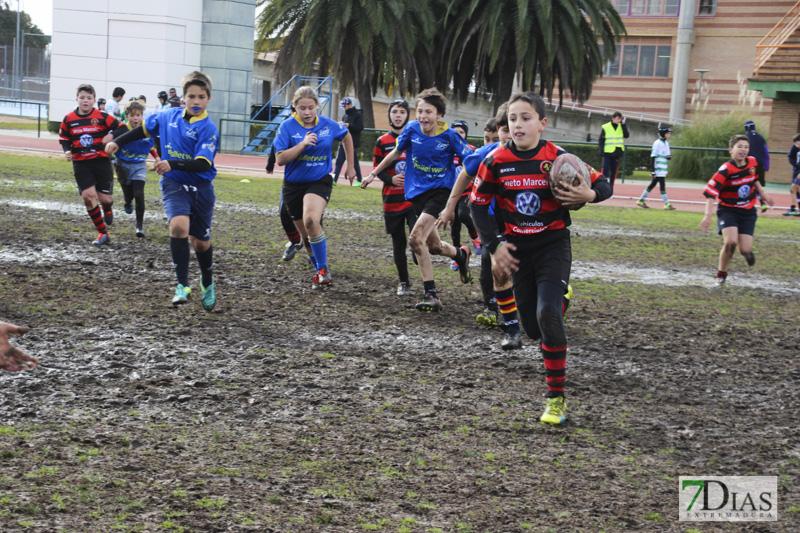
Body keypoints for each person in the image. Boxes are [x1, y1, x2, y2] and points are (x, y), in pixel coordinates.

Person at [471, 92, 612, 425]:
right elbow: (476, 205)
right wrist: (495, 245)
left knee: (548, 314)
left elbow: (604, 184)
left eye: (526, 117)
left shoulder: (558, 157)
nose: (518, 124)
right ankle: (560, 300)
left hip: (552, 245)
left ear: (542, 123)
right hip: (518, 251)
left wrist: (588, 194)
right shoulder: (495, 161)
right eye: (513, 119)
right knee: (533, 329)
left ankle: (556, 400)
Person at [107, 71, 220, 311]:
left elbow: (203, 164)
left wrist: (172, 163)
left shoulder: (208, 128)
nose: (196, 101)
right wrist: (119, 141)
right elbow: (143, 131)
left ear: (209, 99)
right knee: (179, 226)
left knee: (200, 244)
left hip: (201, 188)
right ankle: (182, 285)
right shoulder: (168, 116)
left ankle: (207, 282)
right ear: (183, 97)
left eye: (201, 96)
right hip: (174, 183)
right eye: (191, 96)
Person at [362, 88, 473, 312]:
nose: (423, 116)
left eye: (428, 112)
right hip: (417, 195)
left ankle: (430, 294)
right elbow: (395, 153)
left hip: (440, 193)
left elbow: (470, 160)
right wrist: (373, 174)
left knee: (414, 239)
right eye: (420, 111)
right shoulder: (412, 129)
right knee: (433, 246)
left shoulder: (450, 136)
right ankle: (461, 255)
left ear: (439, 114)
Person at [440, 111, 526, 349]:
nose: (509, 134)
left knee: (527, 269)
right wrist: (449, 208)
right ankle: (495, 313)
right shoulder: (487, 154)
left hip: (526, 223)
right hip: (493, 220)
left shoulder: (538, 154)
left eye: (515, 126)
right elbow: (464, 176)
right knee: (492, 261)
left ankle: (554, 297)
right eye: (505, 128)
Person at [274, 86, 356, 289]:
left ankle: (323, 270)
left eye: (311, 107)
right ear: (294, 107)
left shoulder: (328, 125)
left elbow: (346, 136)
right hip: (293, 186)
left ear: (317, 106)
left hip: (319, 181)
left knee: (312, 221)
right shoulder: (286, 127)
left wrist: (351, 166)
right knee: (306, 236)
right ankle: (318, 270)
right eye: (302, 108)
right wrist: (302, 144)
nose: (308, 112)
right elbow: (281, 159)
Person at [700, 134, 775, 286]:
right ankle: (721, 276)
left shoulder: (752, 162)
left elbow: (754, 179)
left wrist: (763, 193)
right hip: (728, 210)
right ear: (731, 150)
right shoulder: (725, 170)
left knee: (745, 249)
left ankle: (747, 253)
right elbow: (710, 194)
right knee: (731, 242)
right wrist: (708, 215)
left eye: (746, 147)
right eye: (739, 146)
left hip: (747, 211)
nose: (743, 150)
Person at [59, 83, 121, 245]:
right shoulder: (68, 119)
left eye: (89, 98)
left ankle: (107, 209)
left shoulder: (102, 116)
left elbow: (122, 128)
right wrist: (66, 150)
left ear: (94, 100)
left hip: (101, 162)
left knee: (105, 199)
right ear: (77, 99)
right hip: (81, 163)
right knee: (88, 196)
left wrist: (112, 135)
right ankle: (102, 233)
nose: (85, 101)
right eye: (82, 98)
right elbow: (64, 138)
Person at [371, 98, 419, 296]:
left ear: (408, 115)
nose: (398, 115)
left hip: (413, 201)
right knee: (398, 244)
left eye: (402, 112)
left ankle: (422, 264)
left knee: (418, 238)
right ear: (389, 115)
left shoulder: (416, 139)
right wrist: (391, 180)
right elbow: (377, 170)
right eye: (395, 112)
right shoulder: (382, 142)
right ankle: (404, 282)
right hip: (392, 202)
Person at [110, 99, 160, 238]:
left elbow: (149, 145)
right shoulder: (122, 129)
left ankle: (139, 226)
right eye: (132, 115)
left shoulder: (146, 130)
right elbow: (113, 144)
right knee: (128, 193)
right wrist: (110, 155)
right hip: (122, 166)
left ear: (142, 116)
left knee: (139, 194)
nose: (135, 118)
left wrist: (156, 158)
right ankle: (127, 201)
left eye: (138, 115)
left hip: (139, 166)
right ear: (127, 116)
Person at [448, 119, 480, 271]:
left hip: (466, 191)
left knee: (464, 215)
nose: (458, 134)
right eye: (455, 132)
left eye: (461, 132)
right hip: (451, 193)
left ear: (466, 134)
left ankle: (476, 238)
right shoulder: (447, 150)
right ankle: (457, 254)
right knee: (454, 225)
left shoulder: (470, 150)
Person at [637, 126, 675, 210]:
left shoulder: (667, 143)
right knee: (662, 185)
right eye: (667, 133)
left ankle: (641, 200)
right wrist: (653, 170)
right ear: (663, 134)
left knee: (652, 184)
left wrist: (669, 157)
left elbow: (667, 155)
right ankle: (667, 203)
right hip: (658, 169)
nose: (669, 135)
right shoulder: (657, 143)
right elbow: (653, 157)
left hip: (663, 168)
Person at [333, 97, 364, 186]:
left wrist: (349, 125)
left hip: (353, 143)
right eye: (343, 106)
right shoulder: (345, 116)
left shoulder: (358, 114)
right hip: (343, 142)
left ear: (350, 104)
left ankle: (359, 179)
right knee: (339, 160)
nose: (344, 108)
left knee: (354, 162)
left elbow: (360, 127)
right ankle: (334, 179)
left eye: (345, 106)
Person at [598, 111, 629, 188]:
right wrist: (601, 151)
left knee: (614, 171)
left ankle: (611, 187)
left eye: (620, 119)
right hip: (607, 152)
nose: (619, 120)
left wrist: (624, 125)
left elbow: (626, 135)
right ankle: (603, 186)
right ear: (613, 118)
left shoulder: (621, 126)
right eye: (618, 118)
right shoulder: (606, 127)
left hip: (617, 152)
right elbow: (601, 140)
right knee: (605, 170)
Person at [744, 120, 770, 212]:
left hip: (749, 165)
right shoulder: (761, 138)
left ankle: (747, 204)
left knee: (747, 185)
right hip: (760, 165)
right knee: (758, 186)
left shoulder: (745, 138)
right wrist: (766, 166)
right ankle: (762, 204)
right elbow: (766, 153)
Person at [783, 133, 800, 216]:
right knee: (795, 190)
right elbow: (790, 156)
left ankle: (793, 209)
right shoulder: (795, 147)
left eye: (797, 142)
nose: (796, 144)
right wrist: (796, 166)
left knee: (793, 190)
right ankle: (793, 209)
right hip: (796, 172)